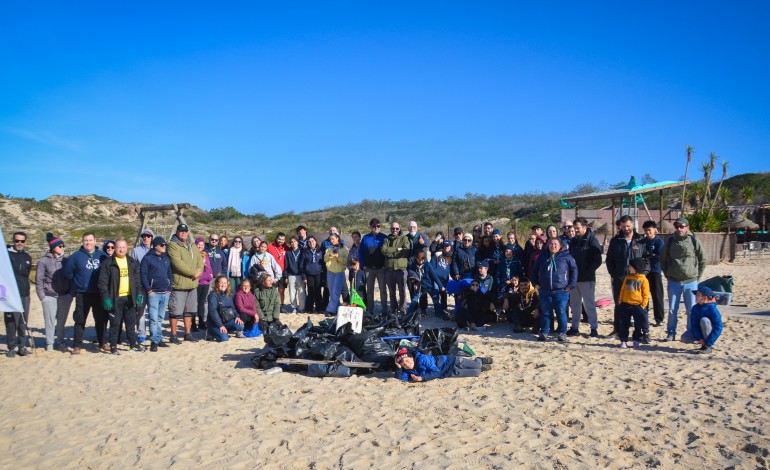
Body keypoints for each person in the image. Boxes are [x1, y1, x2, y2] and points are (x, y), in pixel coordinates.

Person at [661, 216, 707, 342]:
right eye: (677, 227)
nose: (679, 229)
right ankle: (671, 333)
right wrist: (667, 274)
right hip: (673, 281)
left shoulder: (693, 240)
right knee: (672, 310)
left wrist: (697, 276)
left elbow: (703, 259)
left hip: (691, 282)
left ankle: (692, 333)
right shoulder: (670, 241)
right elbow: (663, 259)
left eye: (682, 226)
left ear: (687, 227)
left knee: (691, 310)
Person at [98, 238, 145, 354]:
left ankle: (133, 345)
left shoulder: (132, 262)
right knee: (115, 324)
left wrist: (139, 294)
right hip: (115, 298)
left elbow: (137, 280)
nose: (121, 249)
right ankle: (113, 347)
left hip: (130, 298)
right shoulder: (108, 263)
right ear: (115, 248)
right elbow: (102, 283)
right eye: (119, 247)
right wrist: (106, 298)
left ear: (127, 248)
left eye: (123, 247)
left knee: (131, 323)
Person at [64, 232, 107, 354]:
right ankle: (77, 345)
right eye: (85, 240)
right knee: (80, 319)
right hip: (82, 293)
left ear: (95, 241)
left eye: (90, 240)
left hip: (98, 293)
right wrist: (78, 283)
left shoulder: (102, 255)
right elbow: (68, 273)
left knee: (100, 319)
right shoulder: (76, 256)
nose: (88, 243)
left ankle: (102, 342)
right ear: (82, 242)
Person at [605, 215, 648, 336]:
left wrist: (643, 273)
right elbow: (609, 259)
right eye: (623, 226)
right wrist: (613, 274)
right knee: (619, 305)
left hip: (637, 279)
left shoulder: (641, 240)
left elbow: (647, 258)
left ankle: (642, 332)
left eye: (628, 226)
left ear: (633, 225)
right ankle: (617, 330)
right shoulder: (615, 240)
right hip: (620, 278)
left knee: (640, 305)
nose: (626, 228)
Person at [531, 237, 577, 342]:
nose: (553, 246)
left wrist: (571, 285)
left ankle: (562, 332)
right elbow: (534, 271)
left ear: (560, 246)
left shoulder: (566, 256)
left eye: (556, 244)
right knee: (546, 312)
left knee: (561, 312)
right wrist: (536, 284)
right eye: (551, 244)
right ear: (548, 246)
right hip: (545, 290)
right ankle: (544, 332)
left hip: (562, 290)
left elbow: (574, 270)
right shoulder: (543, 257)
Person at [35, 233, 74, 352]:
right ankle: (49, 343)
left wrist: (71, 294)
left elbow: (72, 278)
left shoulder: (67, 261)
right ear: (53, 247)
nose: (62, 248)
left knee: (61, 321)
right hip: (49, 295)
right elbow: (39, 280)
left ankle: (60, 342)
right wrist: (42, 297)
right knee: (50, 321)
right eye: (60, 246)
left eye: (63, 246)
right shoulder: (43, 261)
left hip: (64, 295)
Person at [166, 224, 204, 343]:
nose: (183, 233)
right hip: (179, 284)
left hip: (192, 284)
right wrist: (193, 273)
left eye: (185, 231)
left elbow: (200, 261)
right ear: (177, 232)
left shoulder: (192, 245)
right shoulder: (172, 245)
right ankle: (173, 335)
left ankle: (187, 333)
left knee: (189, 311)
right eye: (181, 231)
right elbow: (177, 263)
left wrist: (199, 271)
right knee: (175, 311)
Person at [567, 217, 603, 338]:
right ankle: (574, 327)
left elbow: (598, 259)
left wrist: (588, 270)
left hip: (587, 278)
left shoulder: (592, 240)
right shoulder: (573, 241)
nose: (576, 230)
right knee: (575, 305)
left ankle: (593, 328)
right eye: (574, 228)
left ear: (584, 227)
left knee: (589, 304)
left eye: (578, 228)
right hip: (574, 279)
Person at [140, 236, 173, 352]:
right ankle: (154, 341)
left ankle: (158, 338)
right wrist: (149, 289)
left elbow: (170, 273)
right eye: (162, 245)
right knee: (153, 318)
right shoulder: (147, 258)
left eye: (165, 245)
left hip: (165, 292)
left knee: (160, 318)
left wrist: (169, 287)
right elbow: (143, 274)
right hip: (153, 292)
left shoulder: (166, 258)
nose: (164, 247)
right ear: (156, 246)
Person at [5, 231, 33, 357]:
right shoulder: (6, 255)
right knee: (11, 321)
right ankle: (11, 347)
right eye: (17, 241)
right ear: (13, 241)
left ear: (25, 242)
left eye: (22, 241)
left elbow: (26, 275)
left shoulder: (27, 257)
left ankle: (22, 346)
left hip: (24, 293)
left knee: (23, 321)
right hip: (10, 294)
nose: (19, 243)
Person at [393, 347, 492, 382]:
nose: (406, 364)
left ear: (411, 357)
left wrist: (422, 378)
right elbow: (402, 378)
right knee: (476, 372)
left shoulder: (422, 359)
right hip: (448, 373)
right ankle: (481, 367)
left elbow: (436, 371)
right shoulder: (408, 371)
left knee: (477, 365)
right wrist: (398, 368)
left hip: (451, 361)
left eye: (406, 360)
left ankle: (479, 360)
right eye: (403, 364)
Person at [617, 258, 650, 349]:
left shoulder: (643, 279)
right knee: (624, 324)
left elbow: (646, 294)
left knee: (638, 324)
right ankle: (623, 341)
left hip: (637, 305)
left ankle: (636, 340)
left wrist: (643, 305)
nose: (629, 268)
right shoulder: (628, 277)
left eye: (630, 267)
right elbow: (622, 290)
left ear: (636, 268)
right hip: (625, 304)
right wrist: (620, 301)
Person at [680, 285, 723, 353]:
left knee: (704, 320)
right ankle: (703, 343)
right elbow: (694, 325)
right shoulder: (695, 308)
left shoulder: (712, 309)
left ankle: (708, 346)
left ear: (705, 297)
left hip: (710, 333)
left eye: (698, 295)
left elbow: (719, 327)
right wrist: (699, 338)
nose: (695, 297)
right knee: (684, 338)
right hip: (700, 332)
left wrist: (709, 342)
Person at [405, 251, 445, 320]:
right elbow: (410, 273)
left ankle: (439, 313)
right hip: (420, 288)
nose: (421, 261)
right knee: (414, 300)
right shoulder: (413, 265)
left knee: (435, 300)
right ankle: (407, 314)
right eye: (419, 260)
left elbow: (434, 276)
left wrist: (441, 286)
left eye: (422, 259)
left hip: (429, 286)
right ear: (416, 258)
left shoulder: (428, 265)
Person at [381, 222, 411, 314]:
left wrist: (391, 252)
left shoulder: (404, 238)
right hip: (389, 269)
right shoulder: (386, 239)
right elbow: (383, 250)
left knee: (402, 290)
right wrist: (397, 249)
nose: (395, 230)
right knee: (391, 291)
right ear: (390, 229)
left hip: (401, 268)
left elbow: (406, 250)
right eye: (393, 228)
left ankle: (403, 308)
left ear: (399, 229)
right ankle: (393, 308)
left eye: (396, 228)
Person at [360, 218, 387, 315]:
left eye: (378, 226)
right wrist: (363, 266)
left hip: (381, 269)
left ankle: (384, 310)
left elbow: (387, 253)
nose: (376, 228)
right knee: (370, 291)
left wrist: (385, 265)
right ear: (370, 227)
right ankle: (370, 311)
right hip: (369, 269)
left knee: (383, 290)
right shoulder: (365, 238)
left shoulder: (384, 237)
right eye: (374, 226)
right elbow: (360, 253)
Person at [132, 228, 155, 344]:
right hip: (140, 285)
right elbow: (133, 269)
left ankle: (153, 332)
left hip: (153, 285)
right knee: (140, 311)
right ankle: (141, 334)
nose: (145, 238)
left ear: (152, 237)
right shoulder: (136, 251)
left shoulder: (156, 250)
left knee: (153, 310)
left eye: (148, 236)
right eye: (143, 236)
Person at [206, 274, 245, 342]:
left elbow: (233, 308)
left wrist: (237, 317)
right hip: (215, 323)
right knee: (224, 339)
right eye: (221, 283)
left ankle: (224, 331)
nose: (223, 285)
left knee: (240, 325)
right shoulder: (213, 295)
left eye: (225, 283)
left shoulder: (228, 295)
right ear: (217, 284)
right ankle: (210, 332)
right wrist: (220, 325)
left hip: (226, 320)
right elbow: (213, 312)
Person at [642, 221, 665, 327]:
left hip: (655, 271)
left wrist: (649, 256)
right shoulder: (643, 241)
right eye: (646, 230)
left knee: (657, 296)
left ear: (654, 229)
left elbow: (659, 256)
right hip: (644, 272)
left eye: (649, 230)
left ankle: (659, 318)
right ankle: (643, 316)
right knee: (643, 296)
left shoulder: (659, 242)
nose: (647, 232)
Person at [323, 233, 349, 315]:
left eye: (333, 239)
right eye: (330, 239)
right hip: (330, 271)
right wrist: (329, 255)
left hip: (339, 272)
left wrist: (338, 257)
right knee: (331, 291)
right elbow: (325, 259)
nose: (331, 241)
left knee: (336, 291)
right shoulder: (329, 248)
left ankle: (330, 310)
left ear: (338, 238)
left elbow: (346, 261)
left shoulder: (344, 248)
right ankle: (336, 309)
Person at [194, 237, 214, 331]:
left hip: (206, 282)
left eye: (202, 245)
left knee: (201, 303)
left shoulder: (205, 255)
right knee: (194, 303)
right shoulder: (193, 254)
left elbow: (209, 267)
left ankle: (201, 322)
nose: (200, 246)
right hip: (197, 281)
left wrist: (210, 276)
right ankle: (193, 324)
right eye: (199, 244)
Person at [301, 236, 324, 313]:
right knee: (310, 291)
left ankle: (319, 308)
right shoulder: (305, 252)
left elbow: (323, 264)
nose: (311, 243)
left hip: (318, 274)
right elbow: (302, 265)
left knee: (318, 291)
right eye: (309, 242)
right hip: (309, 274)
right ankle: (309, 308)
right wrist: (304, 277)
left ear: (316, 242)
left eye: (313, 241)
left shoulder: (320, 252)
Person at [284, 236, 306, 313]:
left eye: (295, 241)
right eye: (291, 242)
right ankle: (294, 307)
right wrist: (285, 276)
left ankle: (301, 308)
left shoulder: (302, 251)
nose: (293, 243)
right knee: (292, 293)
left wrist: (304, 276)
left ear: (297, 242)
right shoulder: (288, 253)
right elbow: (286, 265)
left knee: (301, 292)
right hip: (291, 275)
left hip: (300, 275)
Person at [267, 233, 288, 306]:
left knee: (281, 291)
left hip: (282, 273)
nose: (280, 241)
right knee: (272, 290)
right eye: (279, 239)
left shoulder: (286, 248)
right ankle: (272, 306)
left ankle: (281, 306)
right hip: (272, 273)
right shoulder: (270, 246)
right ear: (276, 238)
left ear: (284, 240)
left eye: (282, 240)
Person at [429, 247, 452, 314]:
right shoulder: (435, 258)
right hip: (436, 279)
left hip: (444, 279)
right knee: (436, 294)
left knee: (444, 294)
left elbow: (448, 269)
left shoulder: (448, 257)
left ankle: (444, 308)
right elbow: (431, 269)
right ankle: (437, 309)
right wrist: (435, 255)